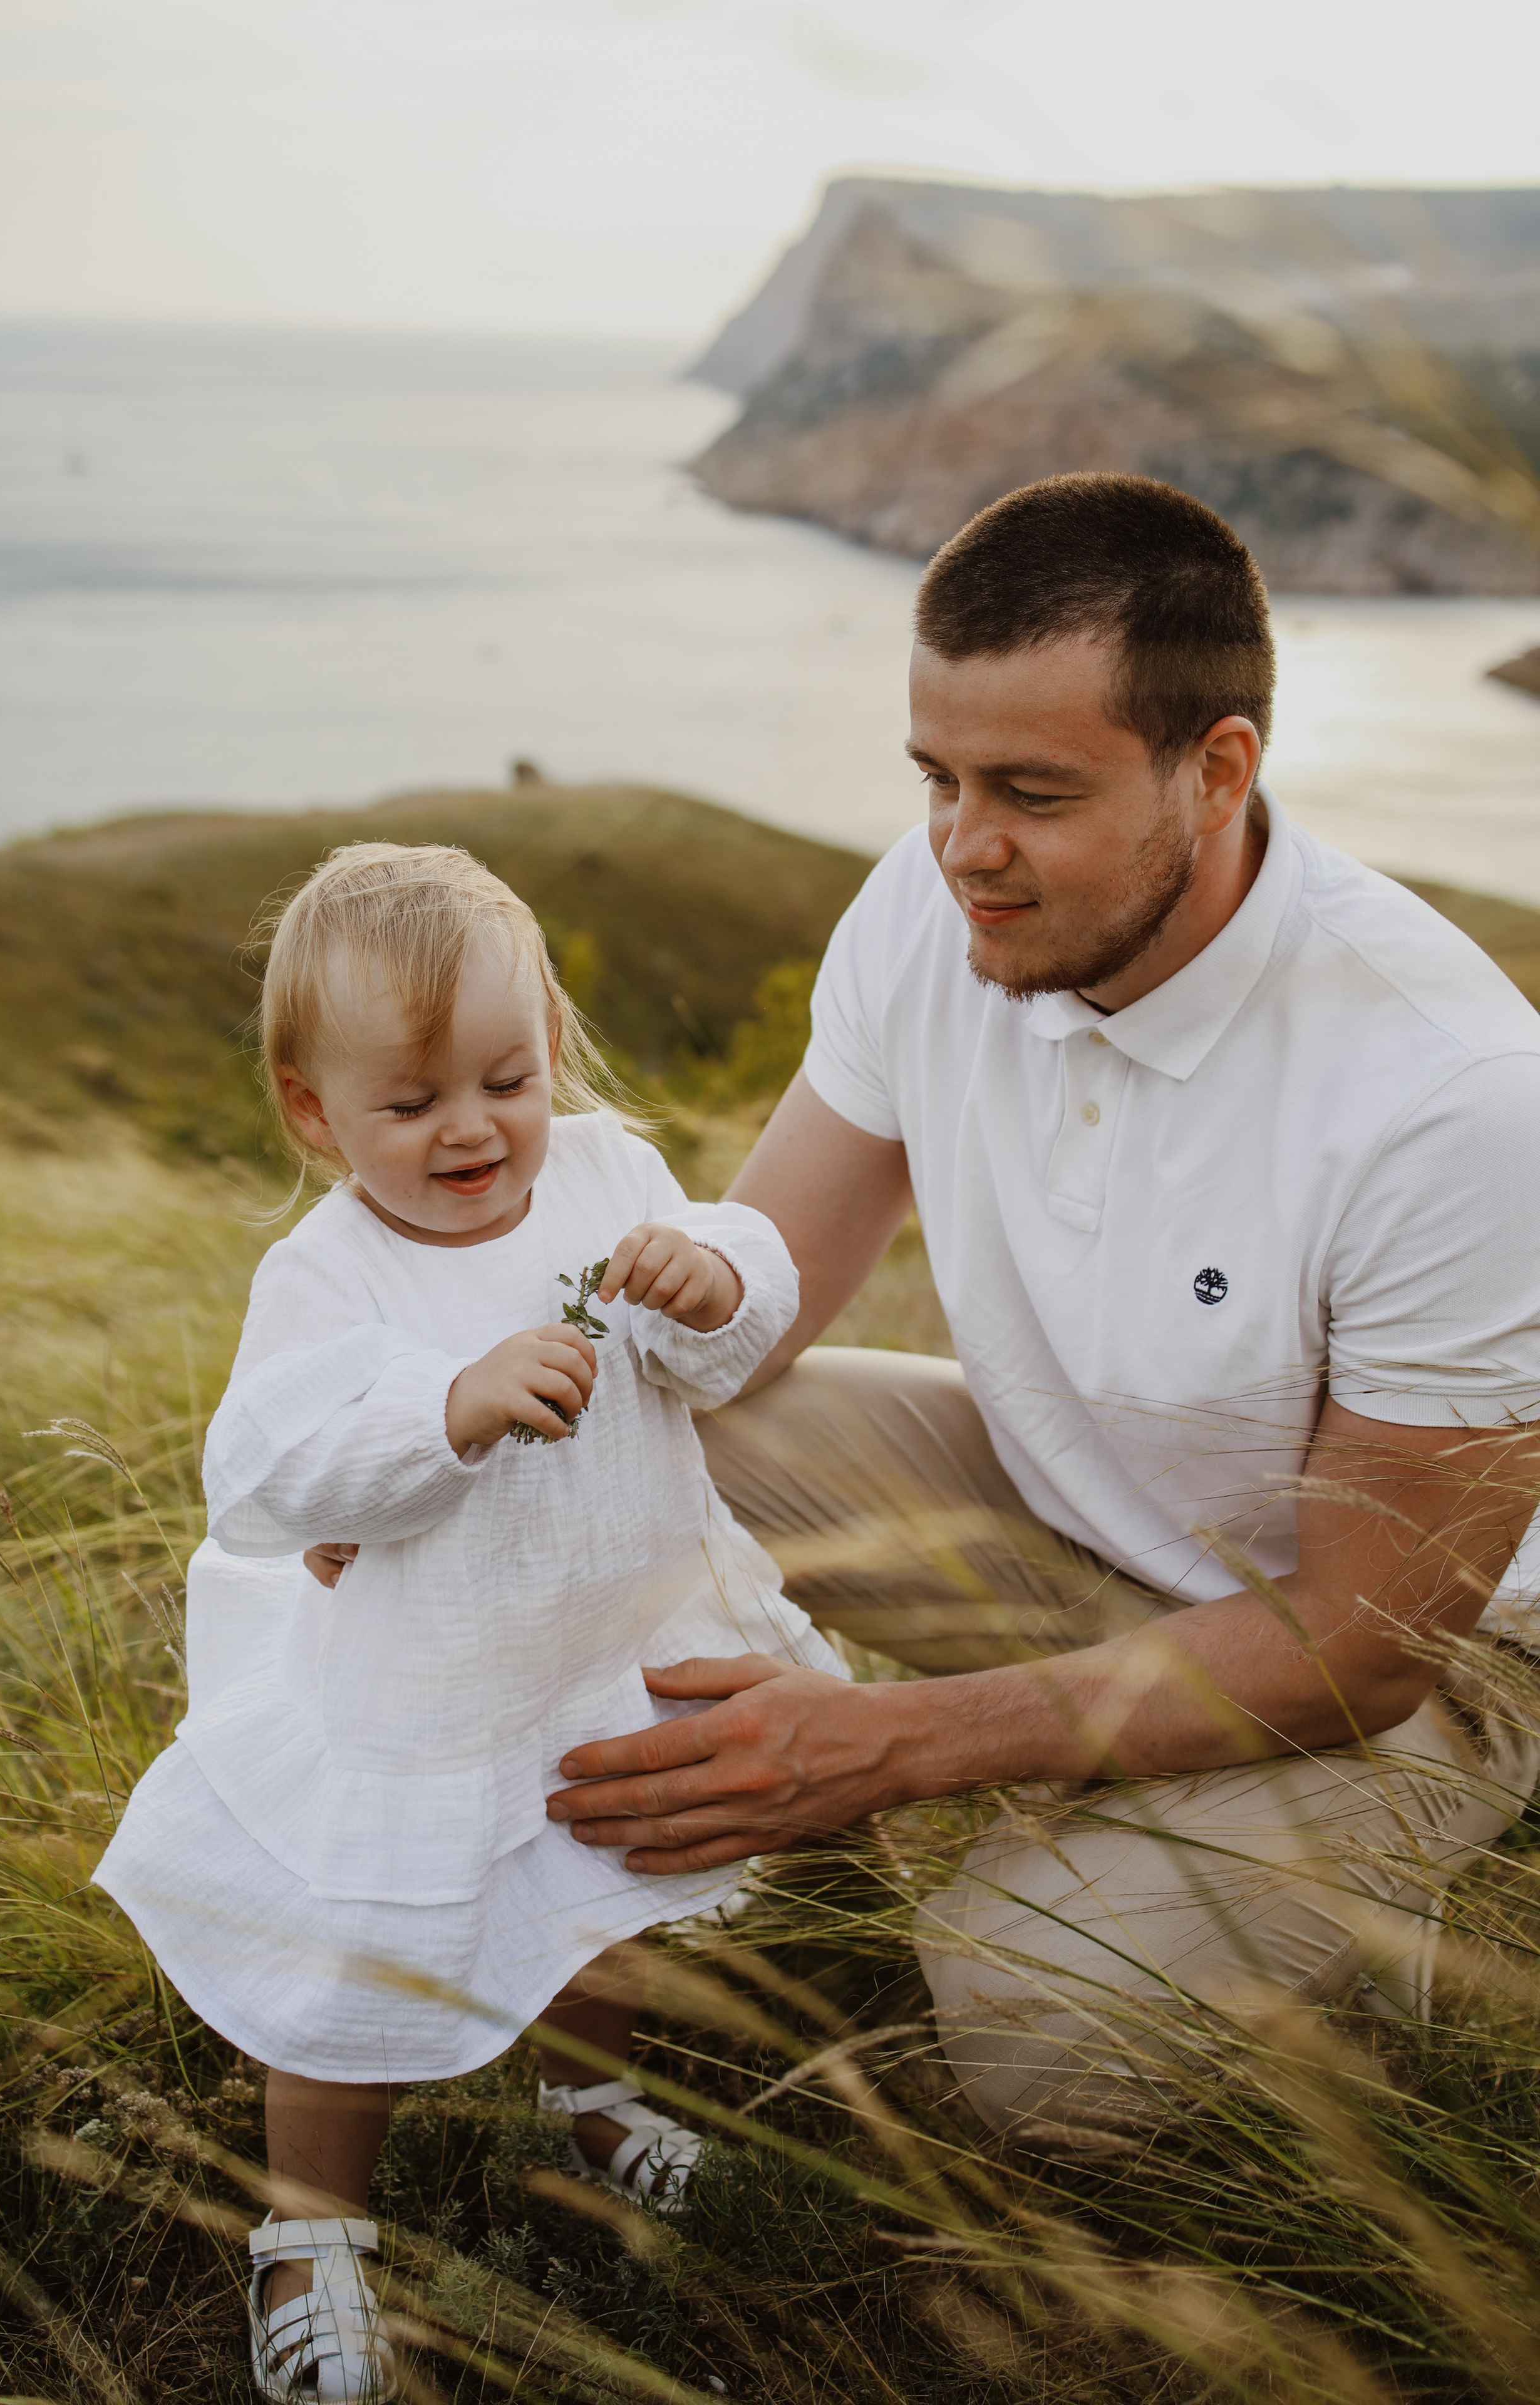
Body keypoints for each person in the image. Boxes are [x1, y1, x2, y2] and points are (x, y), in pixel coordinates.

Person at [542, 472, 1540, 2141]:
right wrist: (441, 1437)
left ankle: (1332, 1939)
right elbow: (752, 1297)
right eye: (934, 778)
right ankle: (1073, 1836)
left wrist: (899, 1744)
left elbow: (1370, 1642)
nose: (961, 848)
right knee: (648, 1431)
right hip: (1087, 1518)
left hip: (1431, 1659)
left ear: (1217, 771)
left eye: (1029, 791)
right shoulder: (933, 908)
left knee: (1029, 2034)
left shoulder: (1454, 1099)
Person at [94, 842, 842, 2402]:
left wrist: (709, 1289)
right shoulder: (328, 1273)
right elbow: (264, 1475)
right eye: (412, 1101)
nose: (471, 1129)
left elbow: (715, 1355)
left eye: (506, 1078)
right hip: (426, 1694)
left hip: (599, 1643)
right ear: (316, 1112)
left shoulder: (609, 1174)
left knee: (596, 1898)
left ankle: (594, 2105)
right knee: (360, 1974)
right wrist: (445, 1406)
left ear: (549, 1051)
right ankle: (311, 2233)